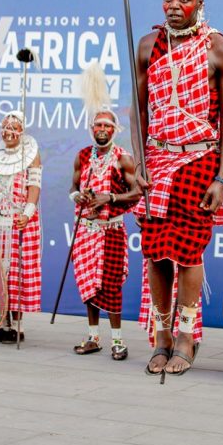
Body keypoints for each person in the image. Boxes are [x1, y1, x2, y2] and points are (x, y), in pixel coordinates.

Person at [132, 0, 223, 376]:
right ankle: (160, 337)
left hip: (199, 160)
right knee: (156, 251)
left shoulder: (220, 49)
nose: (174, 6)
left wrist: (221, 179)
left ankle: (186, 336)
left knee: (189, 251)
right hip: (157, 160)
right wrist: (139, 162)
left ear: (200, 3)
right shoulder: (148, 46)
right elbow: (138, 111)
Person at [70, 63, 140, 360]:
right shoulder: (82, 156)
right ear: (91, 129)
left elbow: (138, 193)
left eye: (107, 126)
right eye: (97, 125)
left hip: (111, 230)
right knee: (89, 286)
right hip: (86, 231)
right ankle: (93, 337)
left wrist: (108, 197)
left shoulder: (124, 159)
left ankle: (118, 341)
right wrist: (80, 197)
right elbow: (72, 189)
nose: (101, 129)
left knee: (111, 286)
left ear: (115, 130)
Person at [0, 110, 42, 343]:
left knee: (18, 275)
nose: (9, 131)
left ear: (22, 131)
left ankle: (17, 325)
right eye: (5, 127)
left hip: (20, 222)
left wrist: (27, 213)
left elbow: (34, 186)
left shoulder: (31, 153)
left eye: (14, 128)